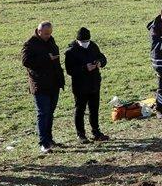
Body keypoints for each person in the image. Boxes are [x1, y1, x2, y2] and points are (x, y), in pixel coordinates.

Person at [21, 22, 65, 154]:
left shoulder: (51, 41)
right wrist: (46, 58)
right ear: (39, 31)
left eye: (50, 33)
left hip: (53, 84)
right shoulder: (29, 44)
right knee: (43, 113)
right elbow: (26, 61)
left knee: (50, 113)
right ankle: (43, 142)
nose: (48, 36)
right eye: (46, 33)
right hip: (40, 85)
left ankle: (49, 139)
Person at [64, 27, 108, 142]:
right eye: (83, 42)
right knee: (80, 110)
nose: (85, 44)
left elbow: (102, 58)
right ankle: (81, 134)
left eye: (87, 41)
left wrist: (100, 63)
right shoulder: (71, 51)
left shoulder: (93, 46)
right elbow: (70, 70)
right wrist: (84, 68)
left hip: (94, 83)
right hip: (80, 86)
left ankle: (96, 132)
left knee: (94, 109)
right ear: (77, 40)